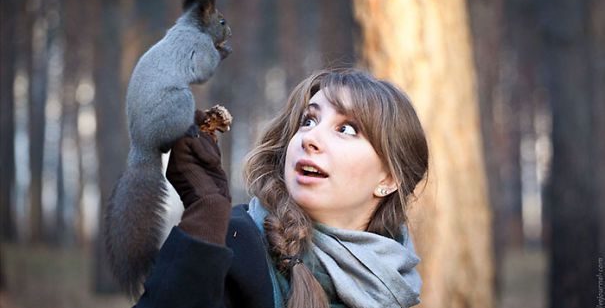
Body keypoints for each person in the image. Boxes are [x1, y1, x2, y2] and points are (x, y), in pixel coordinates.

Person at [134, 70, 429, 308]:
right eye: (309, 120)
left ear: (388, 180)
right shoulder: (234, 244)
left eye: (346, 129)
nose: (310, 137)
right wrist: (206, 213)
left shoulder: (395, 279)